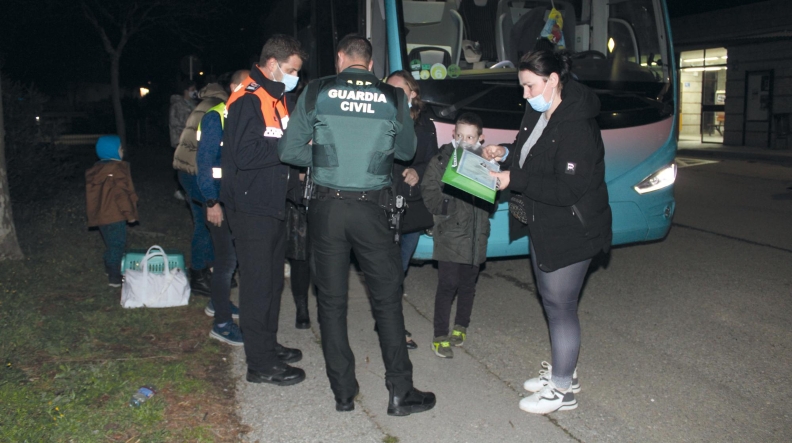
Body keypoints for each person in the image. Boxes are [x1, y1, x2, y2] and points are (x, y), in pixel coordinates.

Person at [278, 34, 436, 416]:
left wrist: (323, 154)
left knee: (331, 304)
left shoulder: (316, 92)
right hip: (372, 211)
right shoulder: (393, 97)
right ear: (370, 63)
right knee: (387, 300)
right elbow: (405, 151)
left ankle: (343, 393)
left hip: (326, 210)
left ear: (339, 59)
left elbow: (288, 151)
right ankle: (400, 392)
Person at [482, 50, 612, 415]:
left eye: (529, 85)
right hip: (546, 222)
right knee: (551, 301)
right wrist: (505, 152)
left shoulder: (577, 124)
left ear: (553, 80)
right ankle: (562, 372)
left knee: (560, 305)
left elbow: (567, 188)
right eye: (522, 86)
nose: (525, 94)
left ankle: (562, 391)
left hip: (573, 227)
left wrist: (513, 179)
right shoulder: (539, 111)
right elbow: (528, 153)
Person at [221, 35, 306, 386]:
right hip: (251, 207)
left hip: (271, 204)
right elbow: (246, 154)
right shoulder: (249, 98)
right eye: (291, 70)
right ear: (272, 64)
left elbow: (276, 154)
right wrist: (290, 147)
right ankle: (260, 364)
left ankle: (267, 346)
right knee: (257, 288)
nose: (295, 77)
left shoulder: (276, 98)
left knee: (272, 284)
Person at [422, 112, 494, 359]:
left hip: (475, 235)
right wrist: (449, 207)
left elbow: (491, 197)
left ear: (480, 138)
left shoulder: (485, 162)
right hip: (451, 235)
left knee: (467, 285)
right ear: (453, 134)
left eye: (470, 137)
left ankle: (461, 325)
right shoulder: (442, 159)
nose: (465, 140)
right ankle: (440, 335)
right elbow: (429, 191)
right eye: (460, 135)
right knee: (447, 285)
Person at [194, 70, 250, 346]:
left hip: (235, 201)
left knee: (230, 260)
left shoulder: (242, 114)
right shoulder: (217, 116)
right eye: (248, 84)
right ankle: (222, 324)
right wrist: (211, 201)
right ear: (233, 87)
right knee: (226, 262)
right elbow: (204, 163)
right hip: (219, 202)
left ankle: (219, 304)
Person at [386, 70, 438, 350]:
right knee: (389, 269)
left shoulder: (425, 124)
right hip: (383, 205)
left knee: (400, 268)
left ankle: (386, 317)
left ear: (413, 94)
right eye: (389, 89)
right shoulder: (378, 118)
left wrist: (417, 171)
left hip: (412, 207)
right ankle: (392, 325)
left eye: (399, 89)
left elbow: (432, 160)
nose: (393, 94)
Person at [173, 82, 226, 297]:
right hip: (197, 174)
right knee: (206, 225)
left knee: (201, 222)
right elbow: (209, 154)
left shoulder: (200, 106)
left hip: (186, 171)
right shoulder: (216, 111)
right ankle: (200, 274)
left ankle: (205, 271)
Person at [85, 135, 139, 287]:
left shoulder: (97, 170)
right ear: (113, 152)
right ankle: (115, 276)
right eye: (120, 149)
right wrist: (130, 215)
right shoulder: (118, 170)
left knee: (111, 243)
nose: (123, 151)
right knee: (117, 244)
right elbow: (121, 195)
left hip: (101, 216)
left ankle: (109, 266)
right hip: (116, 215)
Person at [169, 80, 197, 200]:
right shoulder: (178, 105)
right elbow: (177, 123)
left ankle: (187, 189)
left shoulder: (192, 104)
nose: (194, 92)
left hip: (191, 141)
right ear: (186, 91)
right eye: (192, 90)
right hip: (181, 141)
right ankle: (180, 190)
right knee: (182, 166)